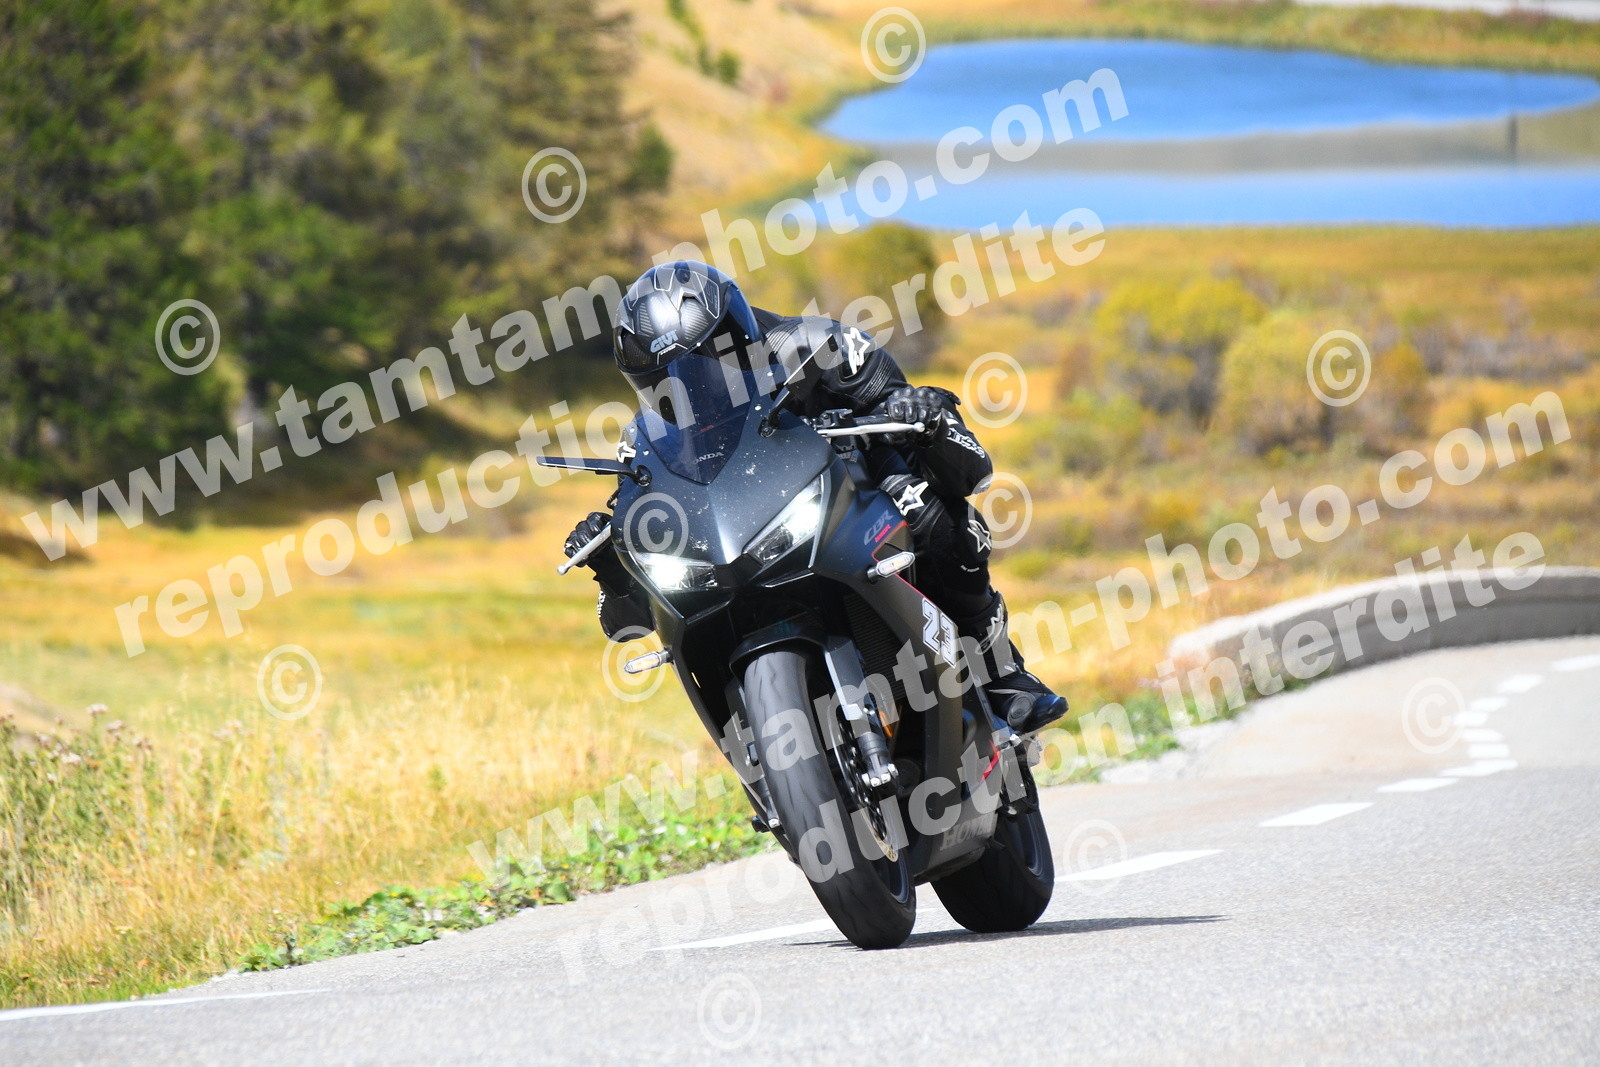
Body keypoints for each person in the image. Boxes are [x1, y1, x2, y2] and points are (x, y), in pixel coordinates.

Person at [562, 260, 1066, 734]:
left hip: (849, 482)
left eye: (707, 360)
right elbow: (629, 621)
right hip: (744, 535)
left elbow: (950, 449)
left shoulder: (820, 344)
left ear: (736, 333)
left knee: (924, 506)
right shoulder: (644, 439)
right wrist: (611, 562)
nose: (691, 385)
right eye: (662, 379)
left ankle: (1000, 672)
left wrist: (918, 412)